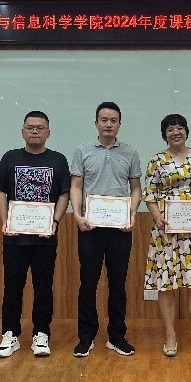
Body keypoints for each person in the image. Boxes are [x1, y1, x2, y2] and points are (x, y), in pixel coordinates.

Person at [0, 111, 71, 358]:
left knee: (43, 287)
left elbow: (64, 194)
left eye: (40, 128)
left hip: (45, 237)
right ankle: (10, 335)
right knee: (12, 287)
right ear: (23, 131)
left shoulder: (58, 160)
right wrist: (5, 220)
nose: (35, 131)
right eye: (30, 127)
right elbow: (0, 191)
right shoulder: (10, 157)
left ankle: (41, 333)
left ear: (48, 132)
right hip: (14, 237)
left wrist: (55, 221)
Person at [143, 113, 191, 357]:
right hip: (166, 230)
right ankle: (170, 335)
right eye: (170, 129)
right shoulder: (157, 160)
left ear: (186, 131)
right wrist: (157, 216)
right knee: (166, 283)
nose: (175, 132)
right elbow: (150, 194)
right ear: (164, 134)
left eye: (179, 128)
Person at [70, 101, 142, 357]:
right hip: (90, 226)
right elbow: (76, 185)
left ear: (119, 124)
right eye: (104, 120)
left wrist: (132, 213)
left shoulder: (130, 152)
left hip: (120, 228)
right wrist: (77, 215)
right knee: (88, 282)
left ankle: (116, 335)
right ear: (96, 123)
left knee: (118, 283)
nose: (108, 124)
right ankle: (86, 337)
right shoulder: (83, 150)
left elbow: (136, 188)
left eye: (113, 120)